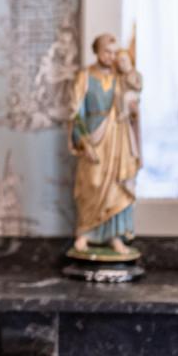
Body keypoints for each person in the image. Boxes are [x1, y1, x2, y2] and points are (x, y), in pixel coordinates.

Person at [68, 33, 141, 256]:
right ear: (97, 52)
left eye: (113, 52)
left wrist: (134, 112)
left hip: (118, 139)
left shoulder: (121, 77)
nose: (110, 56)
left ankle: (114, 236)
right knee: (91, 183)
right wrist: (83, 140)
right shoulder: (85, 76)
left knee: (116, 187)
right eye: (106, 52)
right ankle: (85, 233)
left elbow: (132, 103)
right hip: (94, 136)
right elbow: (76, 112)